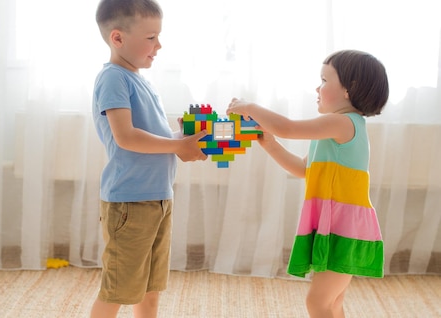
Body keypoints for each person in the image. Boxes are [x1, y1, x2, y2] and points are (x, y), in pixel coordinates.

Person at [226, 49, 388, 318]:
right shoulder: (336, 128)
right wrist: (270, 143)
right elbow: (303, 169)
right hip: (337, 224)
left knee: (318, 302)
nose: (317, 87)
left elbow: (288, 127)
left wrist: (249, 106)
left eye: (324, 81)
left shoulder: (344, 123)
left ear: (350, 89)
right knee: (331, 302)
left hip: (343, 227)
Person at [91, 0, 207, 317]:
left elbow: (152, 137)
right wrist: (176, 147)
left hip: (157, 198)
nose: (159, 45)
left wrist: (181, 140)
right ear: (118, 38)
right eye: (151, 37)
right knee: (118, 291)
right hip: (130, 202)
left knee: (150, 292)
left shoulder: (140, 79)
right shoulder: (113, 78)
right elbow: (126, 137)